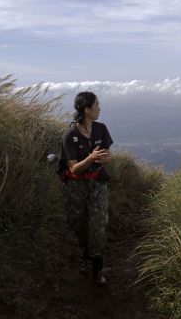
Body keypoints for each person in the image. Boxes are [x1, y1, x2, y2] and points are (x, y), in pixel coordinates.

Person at [59, 91, 113, 285]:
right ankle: (86, 255)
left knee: (98, 225)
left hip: (98, 183)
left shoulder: (101, 129)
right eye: (97, 105)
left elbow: (107, 156)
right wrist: (90, 158)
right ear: (87, 109)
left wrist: (104, 158)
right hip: (77, 186)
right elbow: (73, 167)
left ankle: (97, 269)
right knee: (79, 224)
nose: (100, 108)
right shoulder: (70, 136)